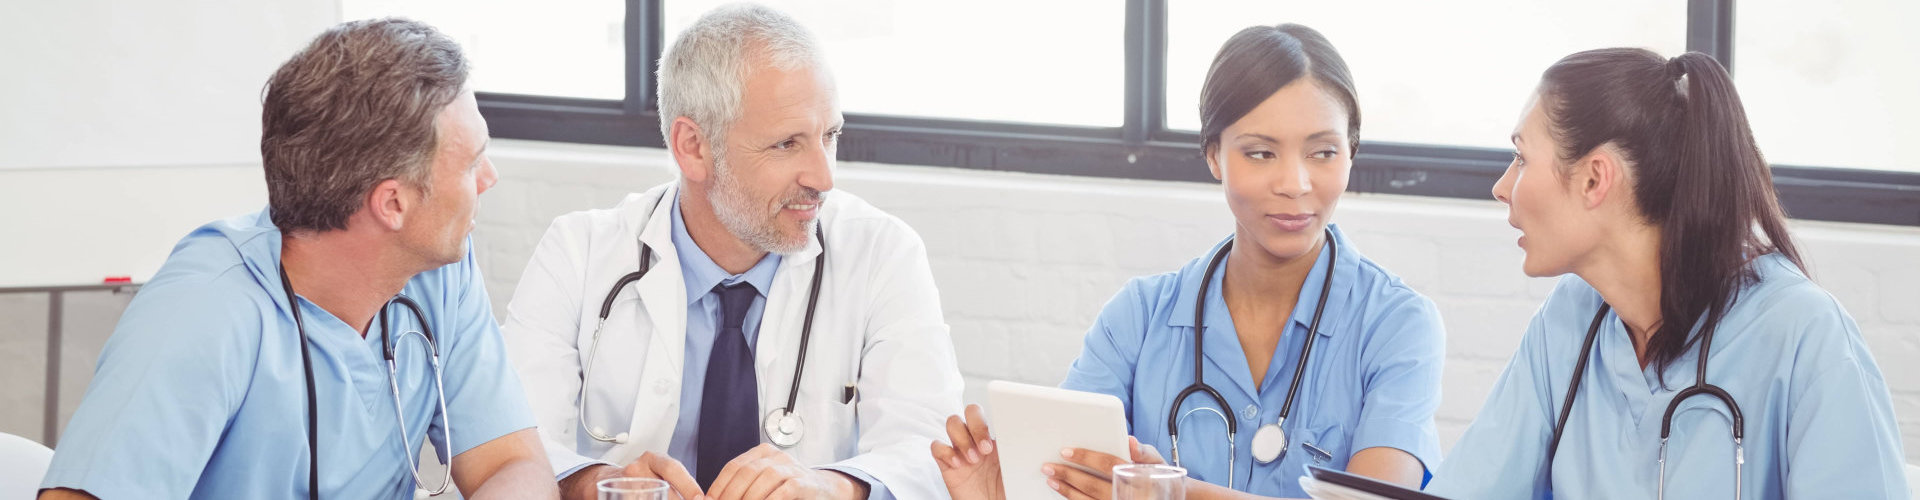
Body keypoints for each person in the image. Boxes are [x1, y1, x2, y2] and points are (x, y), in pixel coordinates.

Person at [37, 18, 557, 499]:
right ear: (392, 203)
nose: (489, 179)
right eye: (471, 163)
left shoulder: (438, 274)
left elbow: (513, 465)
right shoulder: (204, 310)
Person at [933, 23, 1444, 499]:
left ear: (1351, 151)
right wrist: (1003, 495)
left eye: (1323, 153)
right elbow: (1067, 483)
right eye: (1261, 153)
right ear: (1213, 155)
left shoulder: (1397, 325)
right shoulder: (1137, 319)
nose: (1295, 183)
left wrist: (1172, 490)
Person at [500, 4, 962, 500]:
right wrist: (600, 485)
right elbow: (507, 445)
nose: (824, 178)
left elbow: (928, 449)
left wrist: (831, 487)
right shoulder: (577, 254)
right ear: (693, 147)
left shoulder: (882, 254)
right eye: (786, 144)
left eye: (829, 136)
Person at [1425, 48, 1911, 499]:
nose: (1501, 187)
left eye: (1521, 158)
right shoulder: (1569, 320)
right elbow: (1471, 485)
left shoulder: (1804, 333)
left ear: (1595, 177)